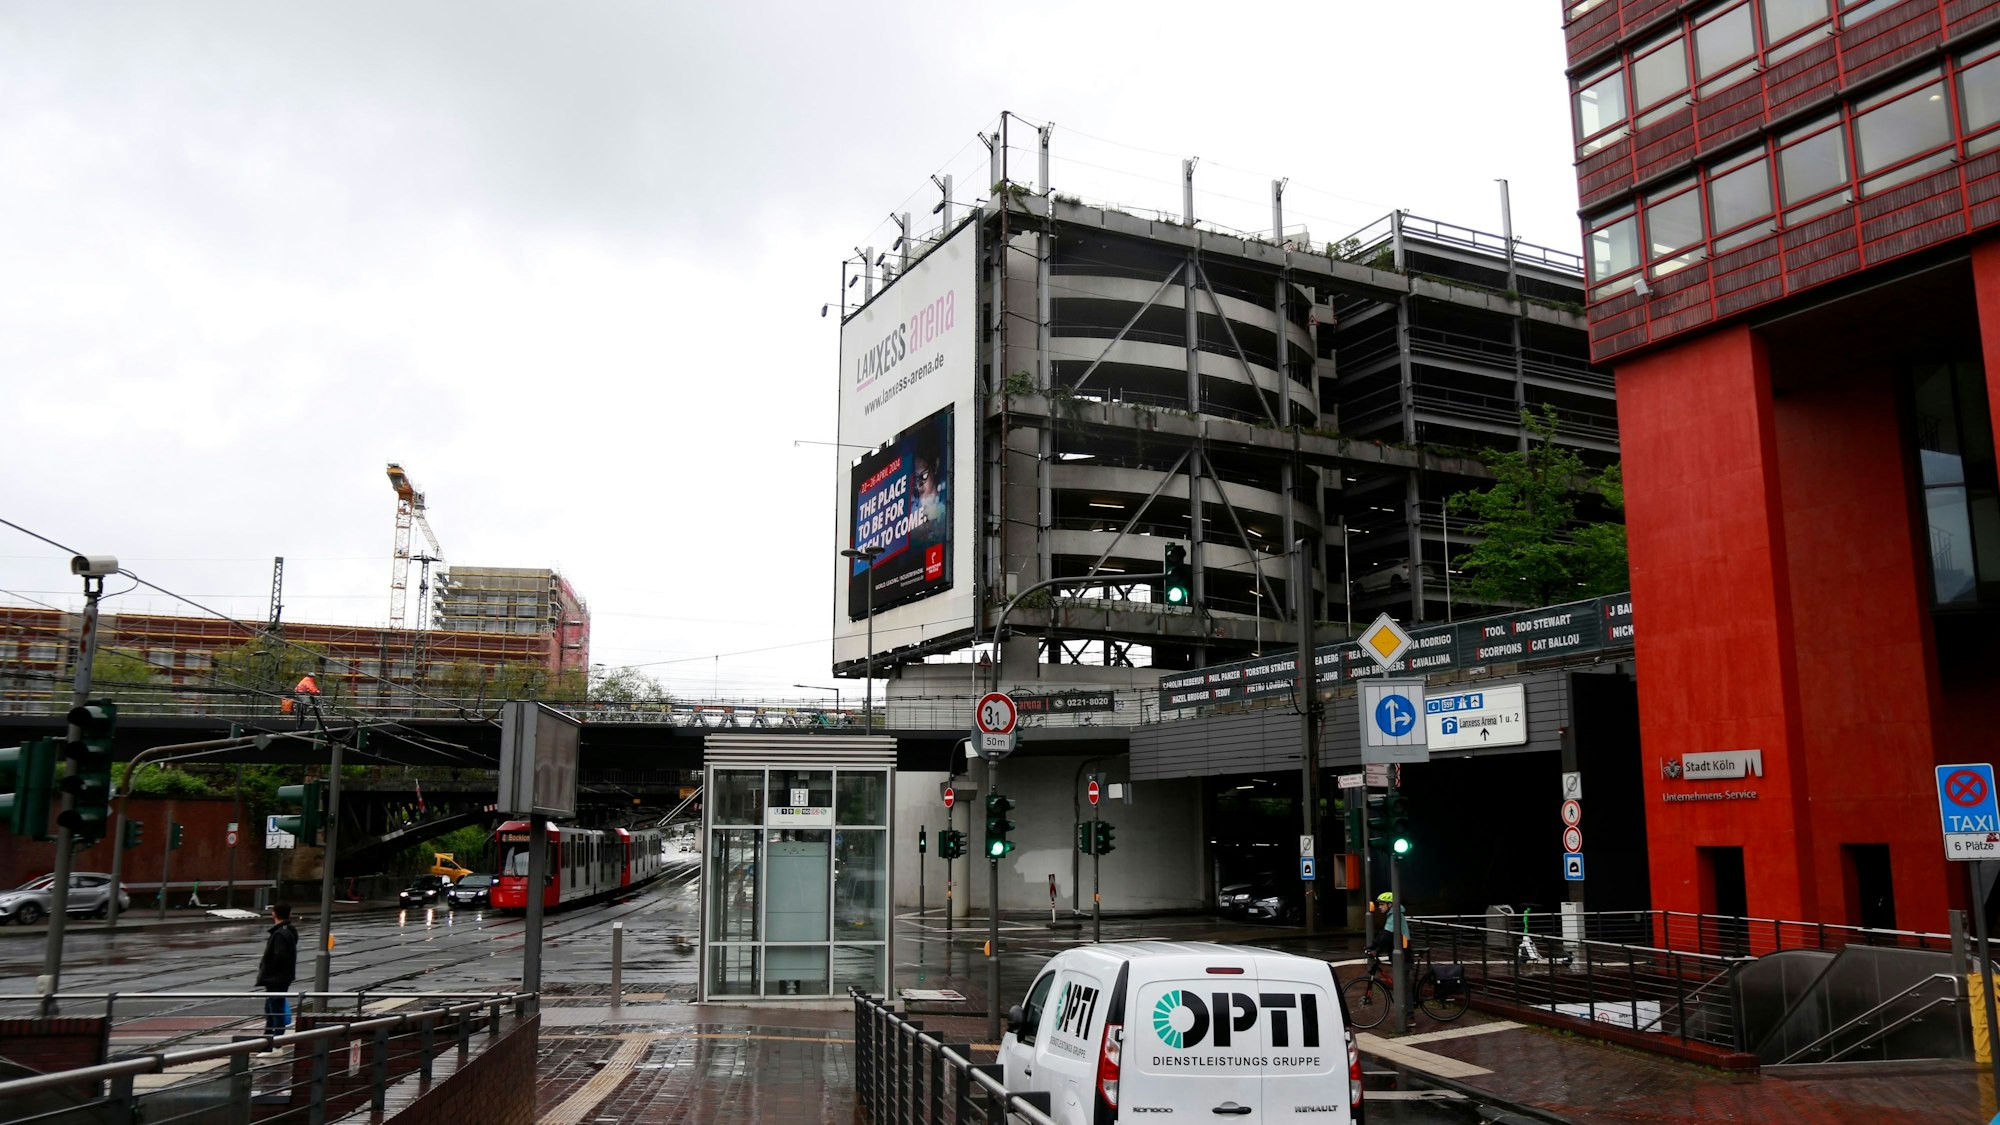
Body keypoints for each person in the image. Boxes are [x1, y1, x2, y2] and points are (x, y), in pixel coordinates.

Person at [256, 903, 298, 1038]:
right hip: (281, 977)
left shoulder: (280, 933)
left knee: (274, 1008)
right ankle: (269, 1036)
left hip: (276, 978)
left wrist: (267, 970)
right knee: (272, 1007)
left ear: (274, 913)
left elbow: (279, 956)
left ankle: (275, 1039)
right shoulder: (289, 930)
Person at [1369, 891, 1407, 959]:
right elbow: (1383, 932)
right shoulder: (1392, 914)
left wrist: (1377, 950)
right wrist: (1373, 946)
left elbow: (1387, 935)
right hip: (1398, 949)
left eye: (1382, 904)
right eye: (1379, 905)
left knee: (1400, 968)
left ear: (1389, 905)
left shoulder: (1395, 915)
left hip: (1403, 951)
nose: (1379, 907)